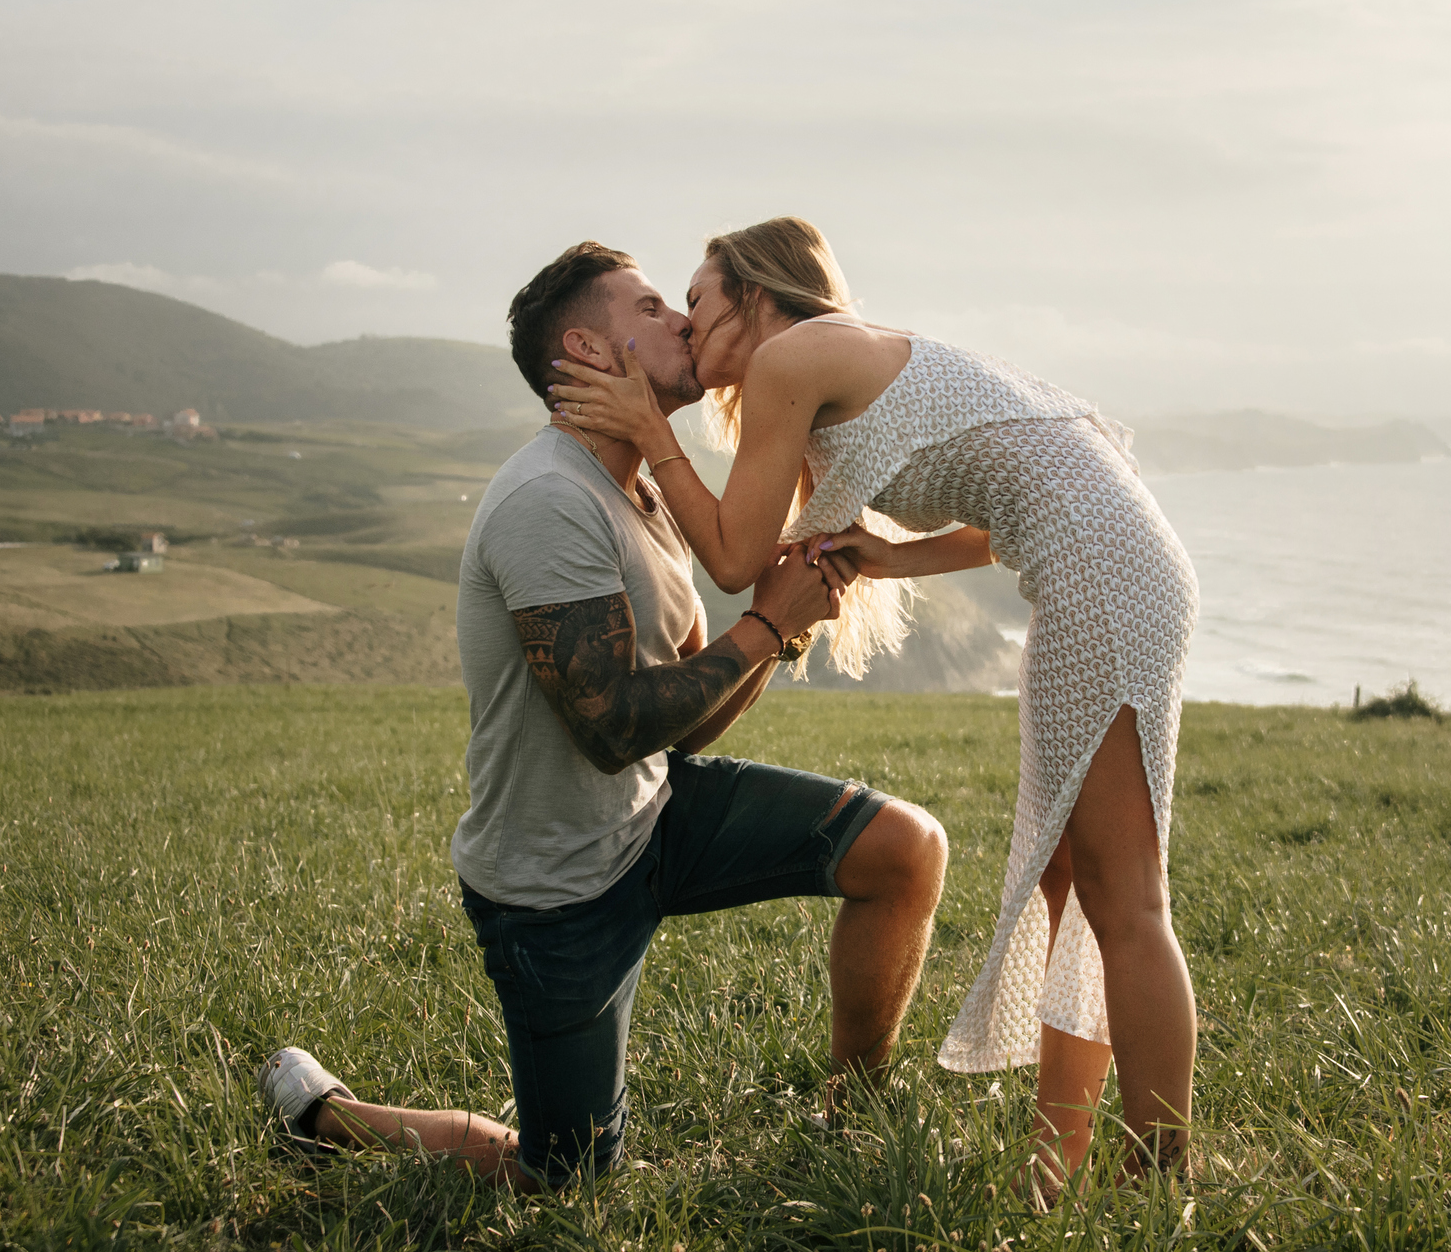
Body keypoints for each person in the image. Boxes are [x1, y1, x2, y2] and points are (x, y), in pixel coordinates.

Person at [258, 240, 949, 1191]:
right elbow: (614, 726)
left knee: (905, 851)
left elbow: (684, 731)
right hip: (556, 888)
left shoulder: (649, 498)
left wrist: (778, 634)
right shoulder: (548, 500)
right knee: (565, 1180)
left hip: (653, 815)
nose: (684, 321)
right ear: (584, 352)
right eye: (654, 306)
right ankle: (326, 1117)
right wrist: (763, 624)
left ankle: (855, 1120)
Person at [546, 218, 1199, 1182]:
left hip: (1100, 576)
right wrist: (899, 558)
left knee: (1124, 896)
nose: (687, 326)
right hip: (1103, 564)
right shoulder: (839, 357)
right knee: (1073, 884)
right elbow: (1041, 486)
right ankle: (1056, 1164)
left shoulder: (797, 355)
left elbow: (732, 561)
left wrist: (652, 432)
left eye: (696, 299)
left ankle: (1157, 1183)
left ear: (756, 293)